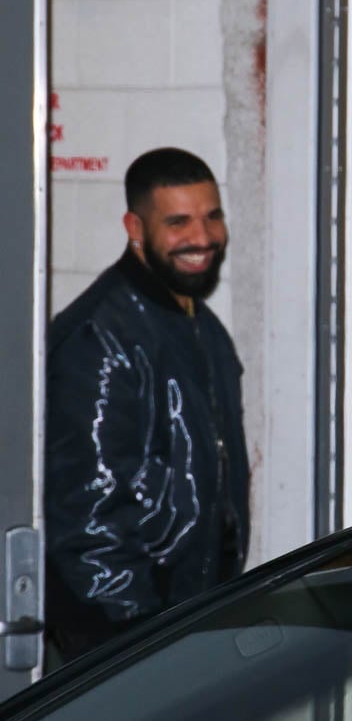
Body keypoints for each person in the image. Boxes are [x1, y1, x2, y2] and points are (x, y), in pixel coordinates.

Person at [45, 147, 250, 662]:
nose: (202, 238)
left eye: (212, 216)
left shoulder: (202, 327)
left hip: (185, 623)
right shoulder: (100, 337)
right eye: (178, 222)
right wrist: (132, 649)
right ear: (134, 228)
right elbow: (86, 521)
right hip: (128, 639)